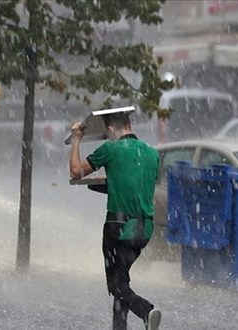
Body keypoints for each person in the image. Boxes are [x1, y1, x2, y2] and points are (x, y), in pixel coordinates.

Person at [69, 111, 162, 330]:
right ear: (129, 124)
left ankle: (146, 311)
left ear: (110, 130)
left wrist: (76, 141)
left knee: (117, 285)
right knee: (122, 281)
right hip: (144, 229)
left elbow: (75, 172)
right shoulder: (152, 153)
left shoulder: (110, 149)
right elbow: (135, 186)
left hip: (118, 228)